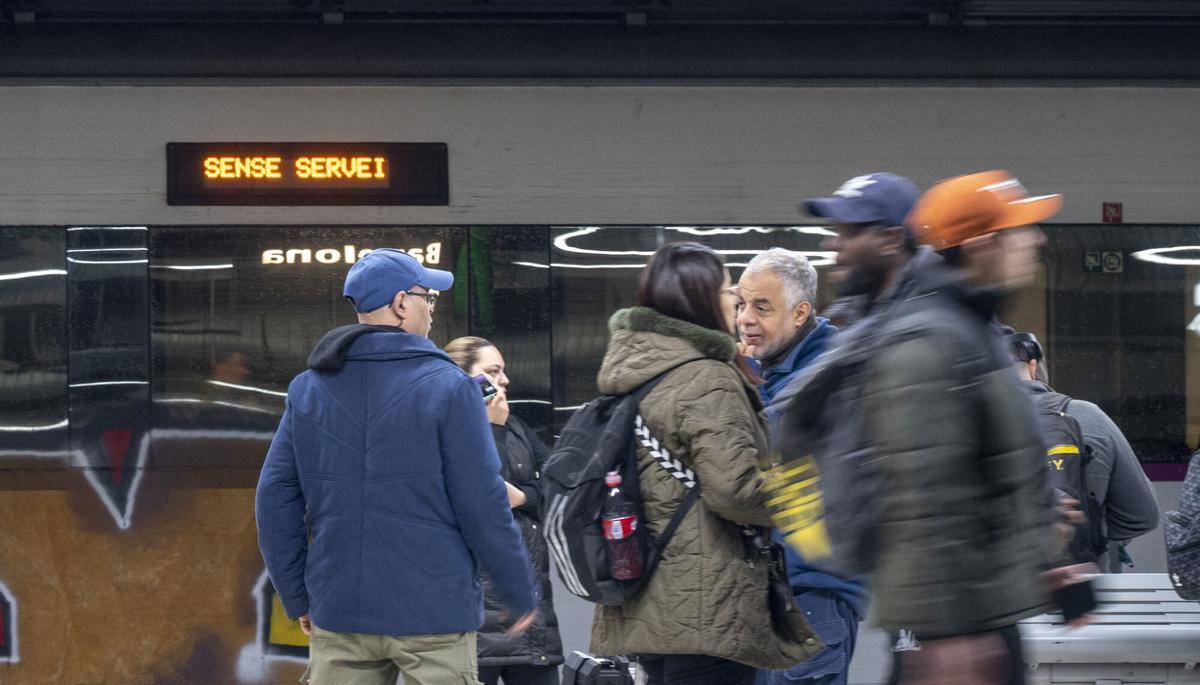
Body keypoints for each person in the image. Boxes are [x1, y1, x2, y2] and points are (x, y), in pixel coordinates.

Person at [785, 170, 1064, 684]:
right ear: (984, 243)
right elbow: (924, 497)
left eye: (847, 232)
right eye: (1021, 229)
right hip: (955, 631)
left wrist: (1046, 560)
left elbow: (993, 469)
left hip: (978, 614)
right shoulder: (928, 341)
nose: (1037, 239)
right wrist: (945, 634)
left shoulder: (965, 325)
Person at [255, 249, 537, 685]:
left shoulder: (309, 389)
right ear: (402, 303)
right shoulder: (450, 388)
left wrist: (297, 596)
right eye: (429, 298)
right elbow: (482, 501)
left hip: (341, 606)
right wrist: (517, 590)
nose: (431, 310)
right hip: (435, 611)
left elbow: (275, 499)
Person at [589, 241, 821, 685]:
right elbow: (734, 489)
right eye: (727, 289)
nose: (734, 300)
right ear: (698, 298)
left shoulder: (635, 368)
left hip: (644, 594)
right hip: (705, 605)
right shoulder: (706, 377)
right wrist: (809, 487)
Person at [736, 248, 869, 685]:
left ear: (800, 314)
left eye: (761, 307)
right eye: (740, 304)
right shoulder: (770, 370)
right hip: (776, 591)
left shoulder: (827, 373)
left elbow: (762, 456)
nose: (744, 319)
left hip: (811, 595)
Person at [445, 336, 564, 685]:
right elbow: (477, 494)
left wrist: (523, 498)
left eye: (504, 370)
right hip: (475, 621)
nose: (504, 380)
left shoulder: (515, 425)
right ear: (465, 379)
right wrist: (492, 427)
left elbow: (558, 487)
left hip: (530, 620)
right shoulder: (447, 426)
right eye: (493, 371)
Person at [1004, 329, 1160, 570]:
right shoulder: (1087, 415)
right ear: (1033, 367)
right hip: (1078, 584)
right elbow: (1142, 515)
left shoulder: (960, 427)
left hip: (999, 594)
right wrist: (1090, 529)